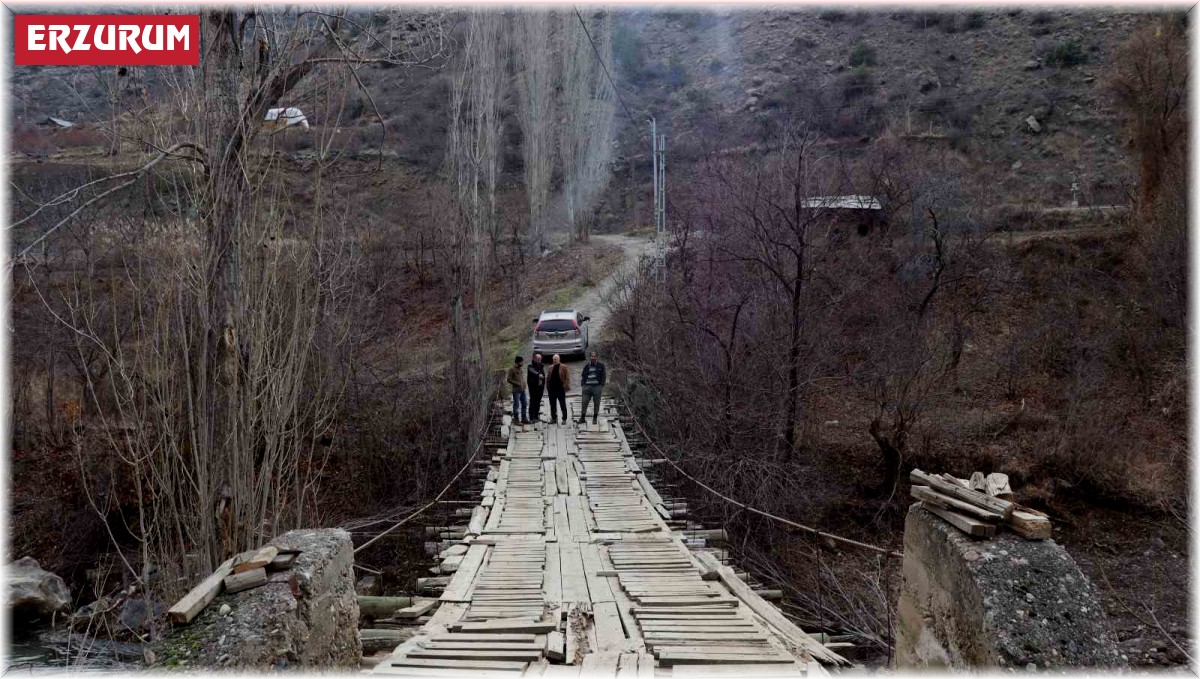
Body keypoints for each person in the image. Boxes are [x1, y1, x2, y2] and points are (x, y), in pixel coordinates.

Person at [578, 351, 607, 425]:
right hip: (587, 387)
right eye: (592, 356)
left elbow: (604, 376)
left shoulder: (601, 366)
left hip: (597, 387)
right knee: (584, 402)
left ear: (597, 357)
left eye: (594, 356)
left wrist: (601, 385)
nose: (593, 358)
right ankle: (582, 417)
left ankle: (595, 418)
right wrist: (583, 384)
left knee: (596, 403)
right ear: (590, 357)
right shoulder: (587, 366)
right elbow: (583, 376)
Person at [545, 354, 570, 425]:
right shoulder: (550, 367)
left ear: (559, 359)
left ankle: (564, 418)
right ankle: (553, 418)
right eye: (553, 359)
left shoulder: (563, 367)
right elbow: (548, 378)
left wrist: (564, 386)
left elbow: (567, 378)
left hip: (560, 389)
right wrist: (548, 386)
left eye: (556, 359)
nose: (554, 360)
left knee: (562, 404)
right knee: (552, 405)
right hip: (552, 389)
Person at [506, 355, 529, 425]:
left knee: (525, 403)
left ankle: (524, 418)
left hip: (523, 390)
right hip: (516, 390)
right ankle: (516, 420)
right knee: (516, 405)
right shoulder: (512, 369)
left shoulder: (521, 369)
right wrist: (517, 383)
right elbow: (508, 379)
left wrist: (525, 384)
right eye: (521, 362)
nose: (522, 363)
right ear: (517, 362)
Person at [527, 353, 546, 423]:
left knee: (538, 402)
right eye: (537, 359)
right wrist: (538, 375)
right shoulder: (530, 366)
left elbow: (543, 376)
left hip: (540, 388)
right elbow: (533, 371)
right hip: (533, 388)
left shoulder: (541, 366)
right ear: (534, 359)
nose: (539, 360)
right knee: (532, 402)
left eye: (540, 359)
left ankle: (536, 416)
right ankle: (531, 417)